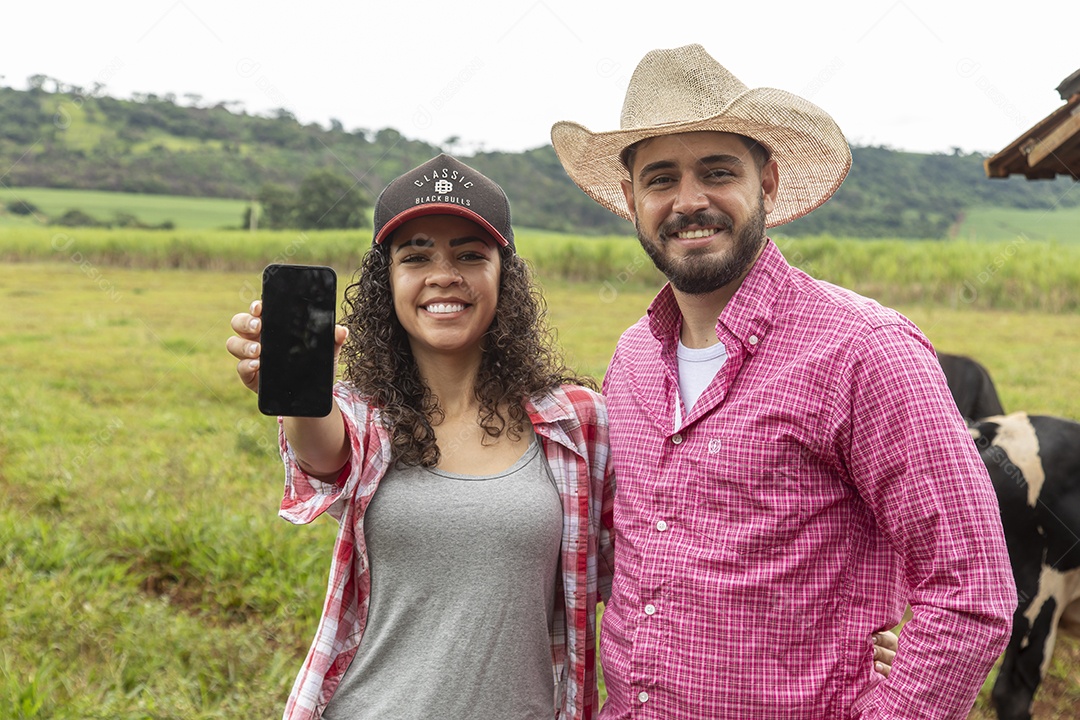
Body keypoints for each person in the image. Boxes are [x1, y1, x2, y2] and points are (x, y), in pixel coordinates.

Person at [550, 44, 1014, 719]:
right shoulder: (633, 359)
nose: (689, 201)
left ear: (766, 183)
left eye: (717, 172)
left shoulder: (865, 351)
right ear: (631, 199)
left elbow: (971, 591)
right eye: (660, 178)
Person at [227, 154, 615, 720]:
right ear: (387, 281)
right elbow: (322, 454)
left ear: (504, 276)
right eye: (416, 256)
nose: (443, 274)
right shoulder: (363, 415)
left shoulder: (576, 422)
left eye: (470, 255)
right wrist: (294, 389)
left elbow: (639, 577)